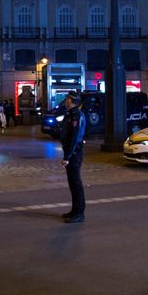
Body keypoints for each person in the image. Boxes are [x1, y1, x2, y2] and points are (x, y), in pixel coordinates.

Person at [60, 92, 87, 223]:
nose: (65, 100)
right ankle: (75, 210)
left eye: (67, 98)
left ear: (71, 100)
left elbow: (74, 138)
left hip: (74, 153)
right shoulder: (70, 114)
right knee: (72, 182)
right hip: (71, 152)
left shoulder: (76, 116)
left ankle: (79, 212)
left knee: (76, 183)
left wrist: (67, 156)